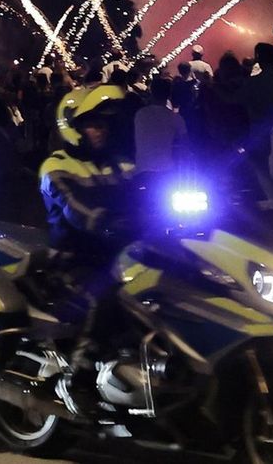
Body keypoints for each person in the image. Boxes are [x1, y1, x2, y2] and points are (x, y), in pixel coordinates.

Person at [37, 85, 138, 409]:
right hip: (75, 261)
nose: (101, 130)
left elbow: (148, 190)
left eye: (104, 123)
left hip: (123, 257)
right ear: (74, 127)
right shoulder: (56, 167)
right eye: (93, 123)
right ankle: (76, 379)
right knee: (106, 296)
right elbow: (76, 210)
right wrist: (106, 221)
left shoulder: (119, 164)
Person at [133, 76, 187, 174]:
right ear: (169, 95)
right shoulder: (175, 118)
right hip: (165, 169)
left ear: (152, 92)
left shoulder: (140, 114)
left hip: (142, 169)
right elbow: (184, 143)